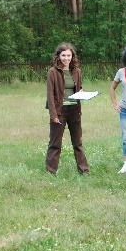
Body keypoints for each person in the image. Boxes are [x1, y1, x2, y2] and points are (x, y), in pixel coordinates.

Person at [45, 42, 89, 174]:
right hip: (59, 112)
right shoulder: (52, 72)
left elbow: (78, 88)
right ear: (58, 56)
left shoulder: (76, 71)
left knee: (78, 143)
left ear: (72, 56)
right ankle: (51, 171)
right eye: (63, 55)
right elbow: (50, 95)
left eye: (69, 55)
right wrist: (54, 116)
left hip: (74, 110)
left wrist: (83, 92)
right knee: (55, 144)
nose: (66, 58)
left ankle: (84, 170)